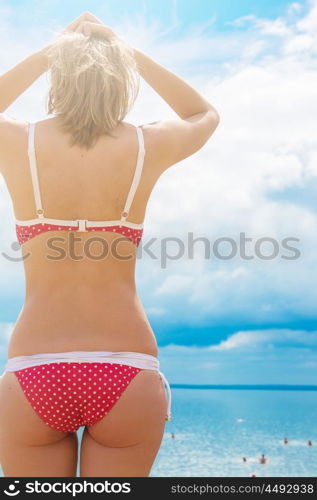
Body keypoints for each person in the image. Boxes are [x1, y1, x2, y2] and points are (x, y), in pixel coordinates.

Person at [0, 11, 220, 477]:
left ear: (58, 76)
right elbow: (205, 115)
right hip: (126, 369)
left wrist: (51, 51)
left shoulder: (20, 143)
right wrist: (129, 52)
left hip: (35, 370)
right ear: (123, 80)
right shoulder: (146, 145)